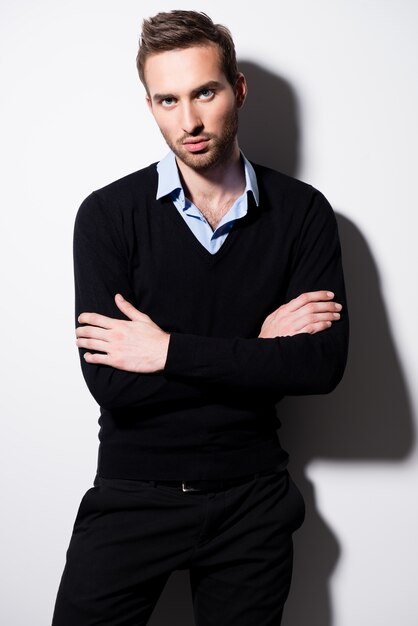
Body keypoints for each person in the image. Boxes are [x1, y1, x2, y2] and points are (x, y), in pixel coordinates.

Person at [52, 9, 349, 626]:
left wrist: (166, 351)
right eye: (167, 99)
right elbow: (113, 384)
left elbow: (321, 366)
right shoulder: (108, 216)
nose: (187, 120)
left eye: (204, 92)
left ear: (237, 90)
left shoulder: (303, 213)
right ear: (150, 105)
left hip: (253, 499)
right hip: (135, 496)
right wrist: (258, 349)